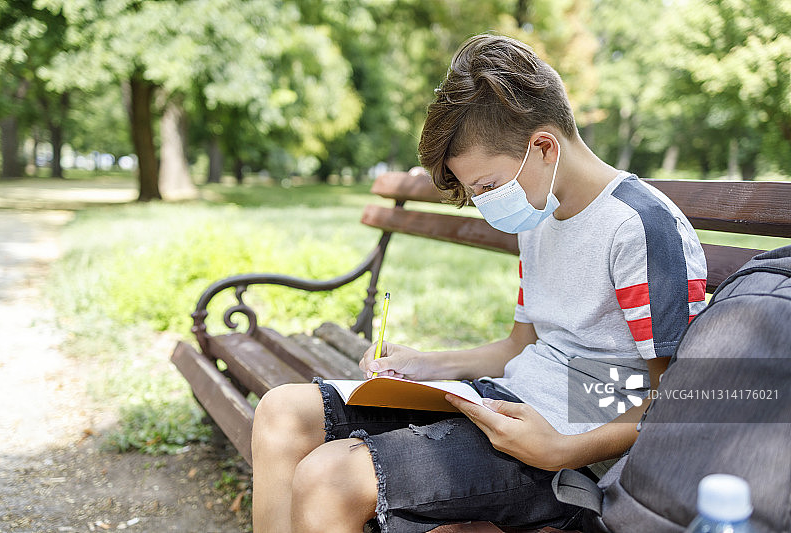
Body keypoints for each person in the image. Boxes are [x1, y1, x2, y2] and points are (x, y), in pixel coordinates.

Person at [251, 33, 707, 533]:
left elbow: (680, 396)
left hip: (571, 451)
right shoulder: (541, 213)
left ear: (544, 147)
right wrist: (426, 364)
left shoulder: (637, 227)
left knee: (329, 478)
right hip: (506, 403)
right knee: (282, 413)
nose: (486, 202)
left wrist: (562, 448)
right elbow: (521, 344)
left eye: (487, 186)